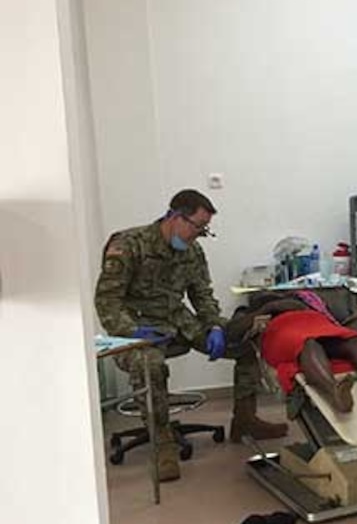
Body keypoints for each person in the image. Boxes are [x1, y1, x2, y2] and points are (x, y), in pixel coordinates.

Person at [95, 190, 288, 481]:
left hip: (179, 323)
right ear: (174, 216)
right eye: (196, 226)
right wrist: (132, 331)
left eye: (204, 229)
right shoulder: (128, 245)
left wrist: (213, 326)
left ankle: (245, 421)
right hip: (136, 329)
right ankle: (162, 445)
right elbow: (107, 301)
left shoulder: (193, 251)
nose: (198, 235)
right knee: (150, 364)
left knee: (247, 343)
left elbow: (203, 297)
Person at [226, 291, 357, 414]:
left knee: (352, 339)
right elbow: (231, 333)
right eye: (269, 296)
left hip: (318, 324)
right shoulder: (249, 311)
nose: (275, 296)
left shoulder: (306, 302)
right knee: (307, 344)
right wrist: (267, 309)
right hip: (283, 331)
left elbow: (338, 322)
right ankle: (335, 392)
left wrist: (299, 306)